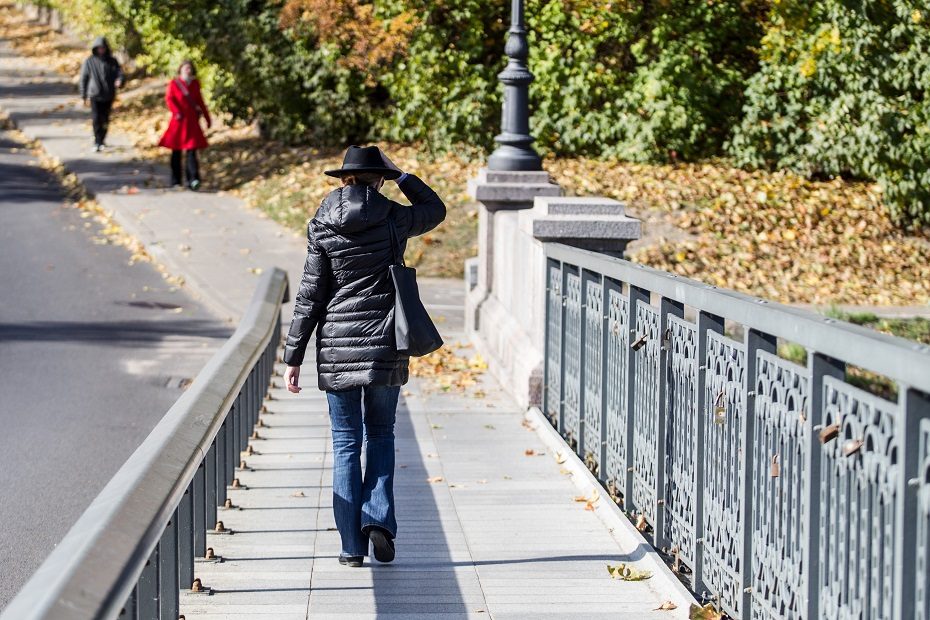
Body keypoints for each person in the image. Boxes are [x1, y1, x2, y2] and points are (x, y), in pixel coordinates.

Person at [282, 145, 446, 567]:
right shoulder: (394, 217)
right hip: (385, 344)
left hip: (337, 347)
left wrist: (294, 355)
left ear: (342, 181)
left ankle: (351, 546)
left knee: (345, 442)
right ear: (379, 179)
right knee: (382, 434)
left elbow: (310, 295)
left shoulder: (321, 225)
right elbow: (435, 209)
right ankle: (379, 521)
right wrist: (403, 175)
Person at [157, 60, 211, 190]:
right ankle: (175, 180)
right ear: (180, 70)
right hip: (179, 122)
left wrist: (207, 118)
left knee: (192, 152)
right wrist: (176, 112)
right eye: (186, 68)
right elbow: (169, 99)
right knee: (176, 152)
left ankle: (193, 179)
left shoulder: (195, 84)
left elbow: (200, 101)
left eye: (190, 68)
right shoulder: (174, 84)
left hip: (192, 123)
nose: (188, 70)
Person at [79, 36, 124, 152]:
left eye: (103, 48)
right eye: (99, 48)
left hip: (108, 94)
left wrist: (120, 81)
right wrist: (83, 95)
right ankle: (97, 140)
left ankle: (102, 139)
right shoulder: (89, 61)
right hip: (95, 94)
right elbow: (83, 78)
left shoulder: (112, 61)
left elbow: (120, 73)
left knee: (105, 118)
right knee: (96, 118)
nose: (101, 50)